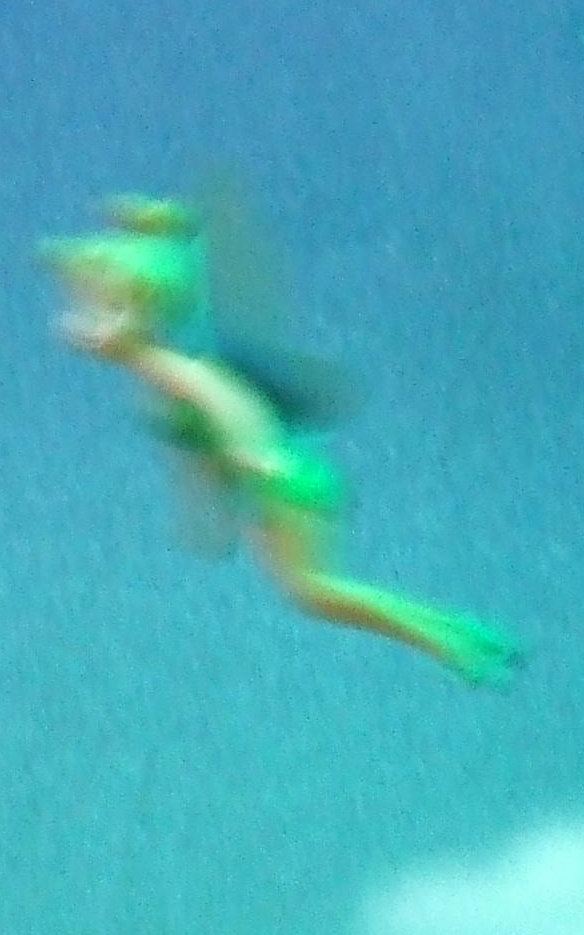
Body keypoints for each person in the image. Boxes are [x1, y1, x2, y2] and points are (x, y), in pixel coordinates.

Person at [38, 192, 523, 686]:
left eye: (104, 307)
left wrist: (251, 461)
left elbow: (222, 406)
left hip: (282, 479)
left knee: (316, 591)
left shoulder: (167, 368)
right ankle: (464, 637)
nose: (86, 323)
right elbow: (197, 453)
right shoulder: (162, 377)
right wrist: (219, 506)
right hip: (281, 484)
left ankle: (458, 645)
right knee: (317, 590)